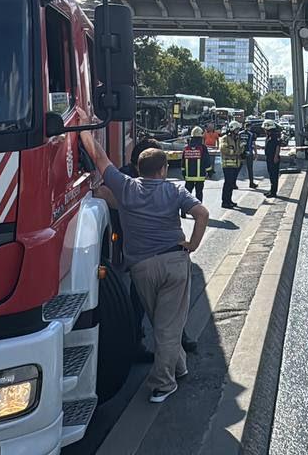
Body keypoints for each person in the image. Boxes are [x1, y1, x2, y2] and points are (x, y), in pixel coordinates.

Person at [79, 133, 210, 404]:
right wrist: (193, 244)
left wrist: (83, 130)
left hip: (141, 268)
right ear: (163, 170)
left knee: (161, 322)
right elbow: (202, 213)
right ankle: (163, 383)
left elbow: (101, 159)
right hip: (174, 263)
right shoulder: (174, 190)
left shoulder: (126, 187)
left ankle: (179, 366)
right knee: (168, 325)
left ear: (138, 168)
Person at [219, 121, 245, 208]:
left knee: (231, 184)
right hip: (227, 165)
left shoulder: (237, 139)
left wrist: (239, 151)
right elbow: (224, 149)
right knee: (228, 183)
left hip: (235, 165)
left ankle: (229, 200)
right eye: (237, 129)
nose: (238, 131)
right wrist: (235, 152)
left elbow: (241, 148)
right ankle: (225, 202)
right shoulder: (225, 138)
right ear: (232, 129)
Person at [182, 126, 209, 204]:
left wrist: (183, 172)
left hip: (188, 176)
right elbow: (206, 160)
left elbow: (183, 161)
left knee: (187, 194)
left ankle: (184, 211)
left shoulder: (186, 148)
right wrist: (209, 171)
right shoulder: (203, 148)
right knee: (199, 193)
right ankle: (198, 211)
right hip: (199, 176)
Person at [263, 120, 282, 198]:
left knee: (274, 175)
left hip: (273, 158)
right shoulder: (269, 135)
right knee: (271, 175)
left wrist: (276, 156)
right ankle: (271, 190)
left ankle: (273, 192)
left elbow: (277, 146)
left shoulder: (274, 135)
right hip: (269, 157)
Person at [240, 123, 258, 188]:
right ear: (249, 127)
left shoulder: (239, 133)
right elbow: (253, 144)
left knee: (238, 168)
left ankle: (233, 183)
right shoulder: (251, 134)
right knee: (250, 169)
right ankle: (251, 183)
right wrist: (256, 153)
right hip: (249, 153)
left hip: (240, 153)